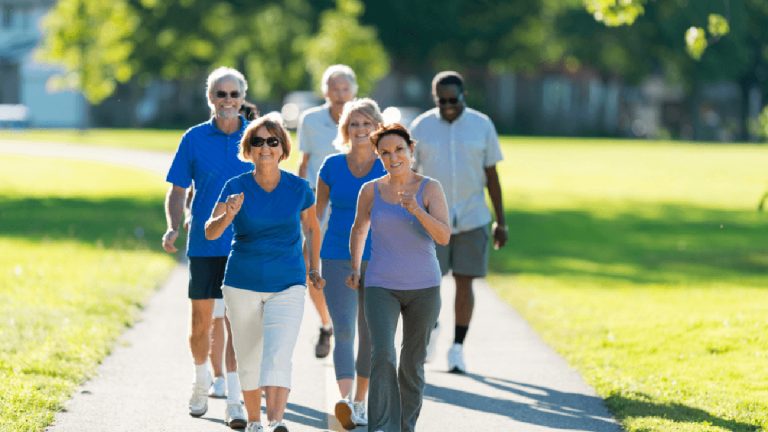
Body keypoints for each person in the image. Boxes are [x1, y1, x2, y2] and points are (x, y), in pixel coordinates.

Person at [205, 114, 325, 432]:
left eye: (273, 141)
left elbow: (312, 228)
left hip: (288, 283)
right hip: (241, 283)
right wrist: (228, 214)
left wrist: (314, 267)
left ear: (283, 149)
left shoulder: (299, 188)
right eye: (258, 142)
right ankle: (255, 421)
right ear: (249, 150)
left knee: (278, 353)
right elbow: (210, 233)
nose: (266, 147)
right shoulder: (235, 188)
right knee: (248, 355)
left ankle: (276, 420)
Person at [347, 123, 450, 432]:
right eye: (385, 153)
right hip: (380, 285)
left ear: (411, 150)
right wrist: (354, 267)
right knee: (383, 356)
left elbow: (443, 236)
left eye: (399, 150)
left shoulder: (430, 188)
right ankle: (382, 427)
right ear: (379, 156)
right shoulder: (371, 190)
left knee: (412, 364)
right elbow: (359, 228)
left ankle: (406, 426)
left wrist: (417, 210)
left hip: (424, 288)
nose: (393, 158)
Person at [162, 66, 249, 427]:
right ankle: (201, 383)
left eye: (233, 94)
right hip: (204, 243)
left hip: (245, 245)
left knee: (237, 323)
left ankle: (234, 398)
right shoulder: (194, 138)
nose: (227, 101)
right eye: (220, 94)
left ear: (242, 98)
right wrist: (172, 227)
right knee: (201, 324)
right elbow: (178, 188)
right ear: (210, 98)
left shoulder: (257, 137)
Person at [410, 71, 507, 374]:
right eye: (443, 101)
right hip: (432, 219)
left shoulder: (482, 125)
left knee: (465, 282)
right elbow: (411, 175)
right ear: (434, 98)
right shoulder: (421, 126)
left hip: (472, 217)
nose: (449, 106)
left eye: (454, 100)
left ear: (464, 96)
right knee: (429, 283)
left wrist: (500, 222)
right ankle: (432, 329)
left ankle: (457, 348)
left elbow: (492, 175)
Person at [316, 99, 386, 429]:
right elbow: (315, 217)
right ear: (345, 129)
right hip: (336, 257)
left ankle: (360, 401)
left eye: (367, 124)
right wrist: (309, 258)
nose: (360, 130)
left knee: (369, 333)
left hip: (379, 258)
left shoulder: (388, 167)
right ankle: (345, 400)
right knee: (343, 329)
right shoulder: (330, 166)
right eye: (354, 124)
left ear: (377, 127)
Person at [297, 64, 358, 358]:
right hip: (316, 205)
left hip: (354, 206)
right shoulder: (310, 120)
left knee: (355, 265)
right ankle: (326, 324)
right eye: (334, 88)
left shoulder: (364, 120)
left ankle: (349, 328)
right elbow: (304, 162)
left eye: (345, 88)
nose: (340, 94)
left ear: (354, 91)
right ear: (325, 91)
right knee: (312, 266)